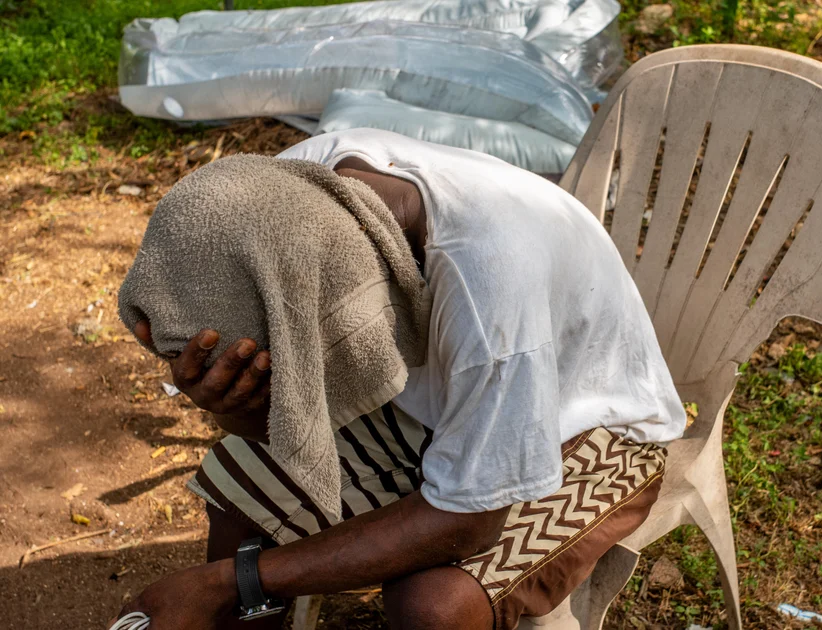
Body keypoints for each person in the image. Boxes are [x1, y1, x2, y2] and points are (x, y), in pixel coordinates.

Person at [111, 128, 685, 630]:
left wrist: (233, 582)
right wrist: (227, 405)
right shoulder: (288, 192)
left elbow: (469, 522)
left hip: (588, 425)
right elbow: (278, 419)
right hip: (438, 405)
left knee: (435, 605)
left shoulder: (492, 298)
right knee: (241, 488)